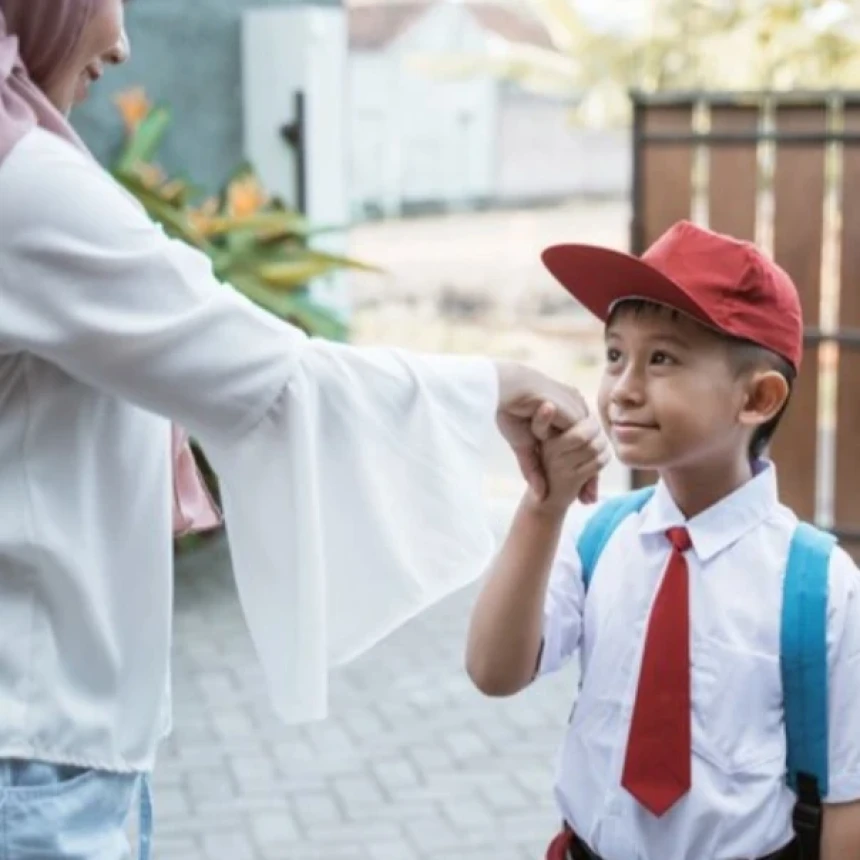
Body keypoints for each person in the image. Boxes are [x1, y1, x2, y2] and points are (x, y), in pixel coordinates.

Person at [0, 1, 606, 856]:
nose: (124, 41)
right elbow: (267, 377)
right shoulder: (21, 183)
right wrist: (492, 387)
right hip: (34, 758)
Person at [465, 220, 860, 860]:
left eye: (662, 360)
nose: (622, 388)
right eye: (615, 355)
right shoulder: (598, 538)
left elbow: (848, 797)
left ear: (757, 397)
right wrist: (543, 507)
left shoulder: (819, 584)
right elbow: (492, 670)